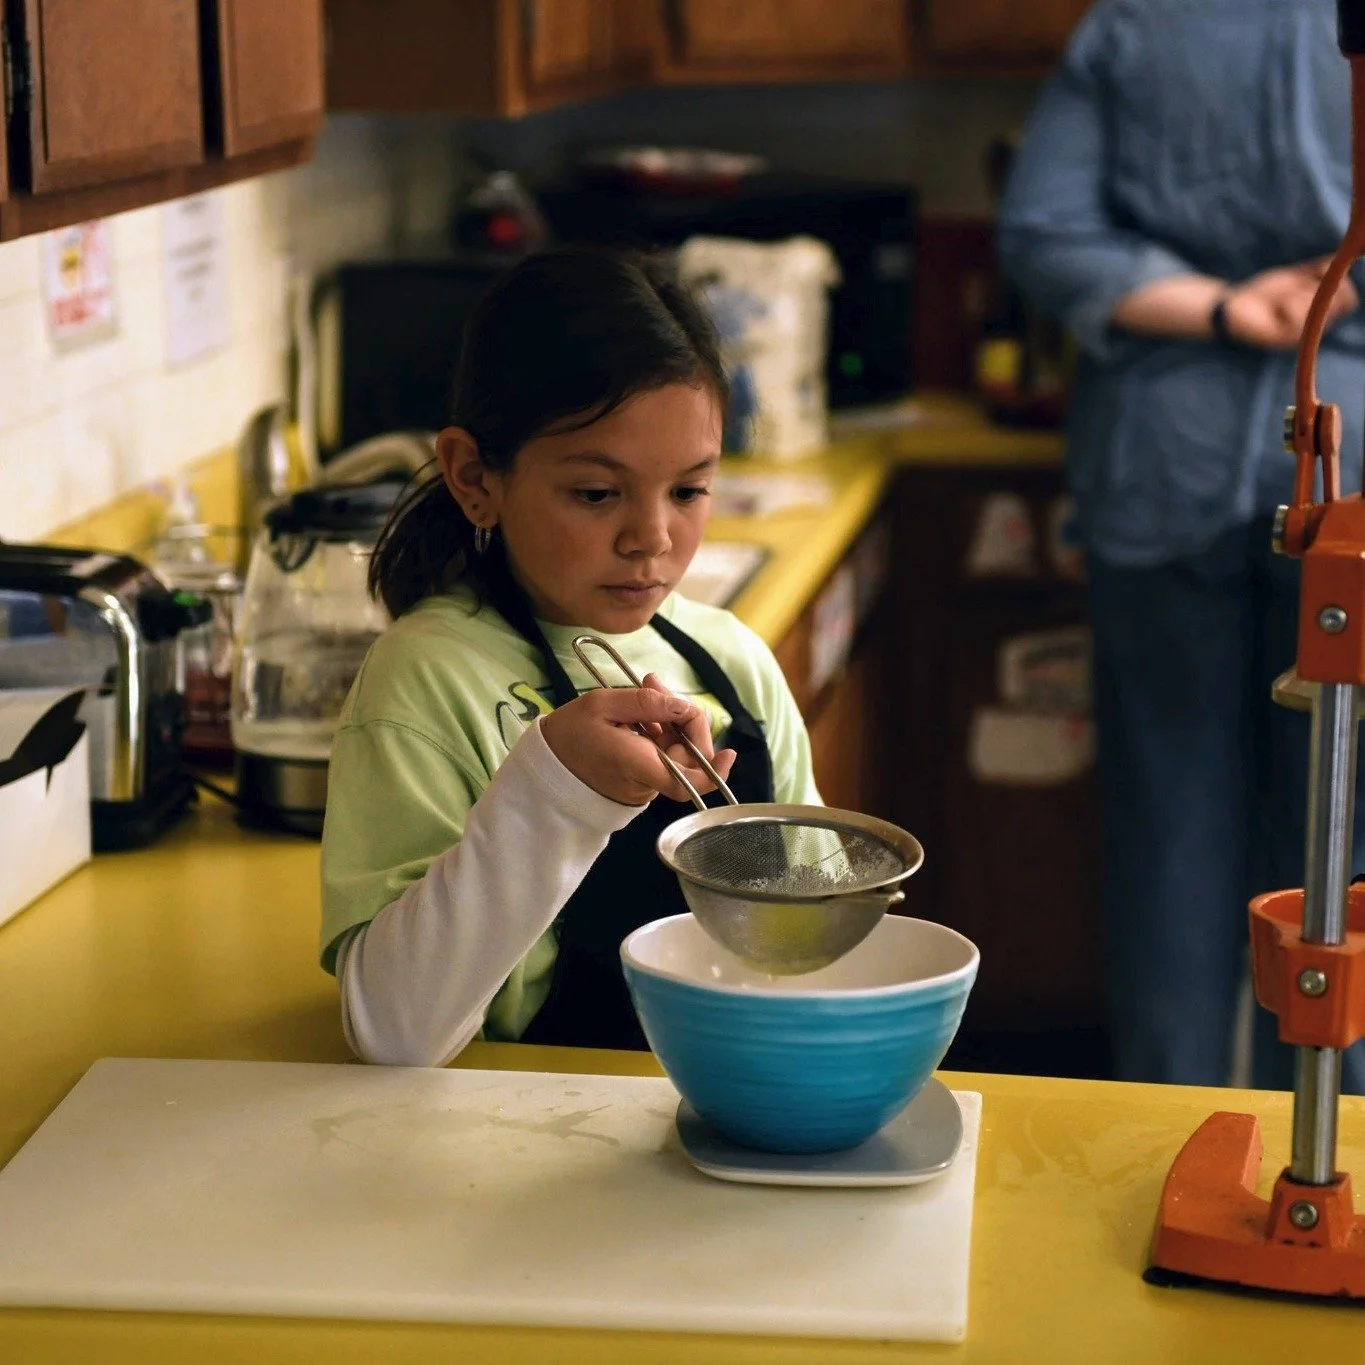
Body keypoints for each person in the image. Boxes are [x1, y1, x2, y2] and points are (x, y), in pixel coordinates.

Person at [319, 248, 820, 1065]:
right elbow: (392, 1030)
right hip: (521, 1128)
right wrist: (557, 790)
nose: (651, 537)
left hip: (732, 1104)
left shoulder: (733, 661)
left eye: (687, 490)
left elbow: (806, 947)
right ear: (474, 476)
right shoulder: (426, 680)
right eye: (596, 493)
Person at [998, 0, 1365, 1089]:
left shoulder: (1137, 22)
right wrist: (1326, 292)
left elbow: (1045, 232)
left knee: (1171, 837)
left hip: (1161, 462)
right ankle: (1341, 1150)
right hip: (1350, 477)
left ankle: (1166, 1130)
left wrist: (1222, 307)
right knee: (1345, 859)